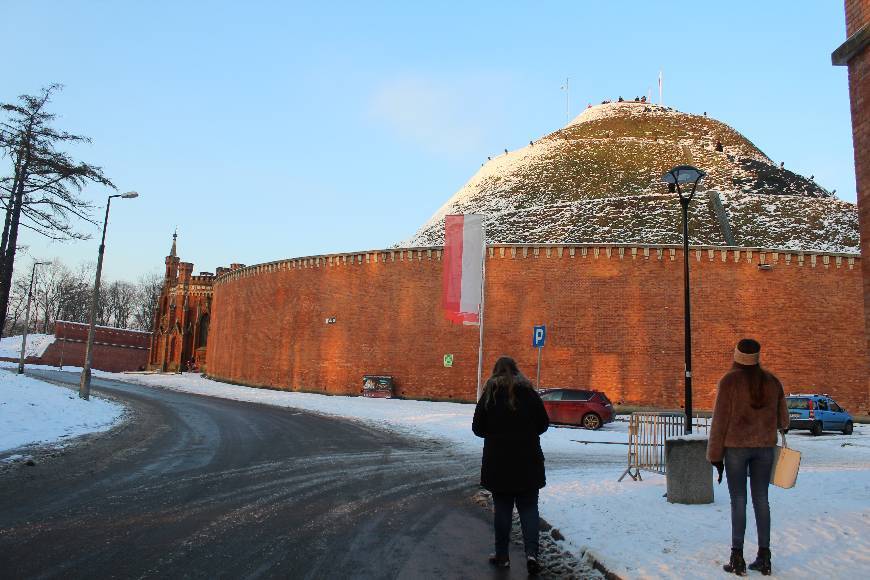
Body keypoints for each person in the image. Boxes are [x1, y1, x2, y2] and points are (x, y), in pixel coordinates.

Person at [707, 339, 789, 576]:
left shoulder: (729, 381)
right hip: (764, 449)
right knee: (761, 500)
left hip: (736, 450)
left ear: (737, 355)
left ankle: (737, 557)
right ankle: (764, 556)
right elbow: (784, 421)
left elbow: (720, 422)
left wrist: (715, 455)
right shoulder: (772, 381)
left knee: (738, 500)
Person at [472, 357, 549, 575]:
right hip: (528, 461)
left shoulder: (490, 395)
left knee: (503, 510)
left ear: (494, 372)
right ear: (517, 370)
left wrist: (497, 435)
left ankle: (502, 556)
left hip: (499, 463)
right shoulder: (530, 394)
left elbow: (477, 428)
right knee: (529, 509)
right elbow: (543, 424)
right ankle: (532, 554)